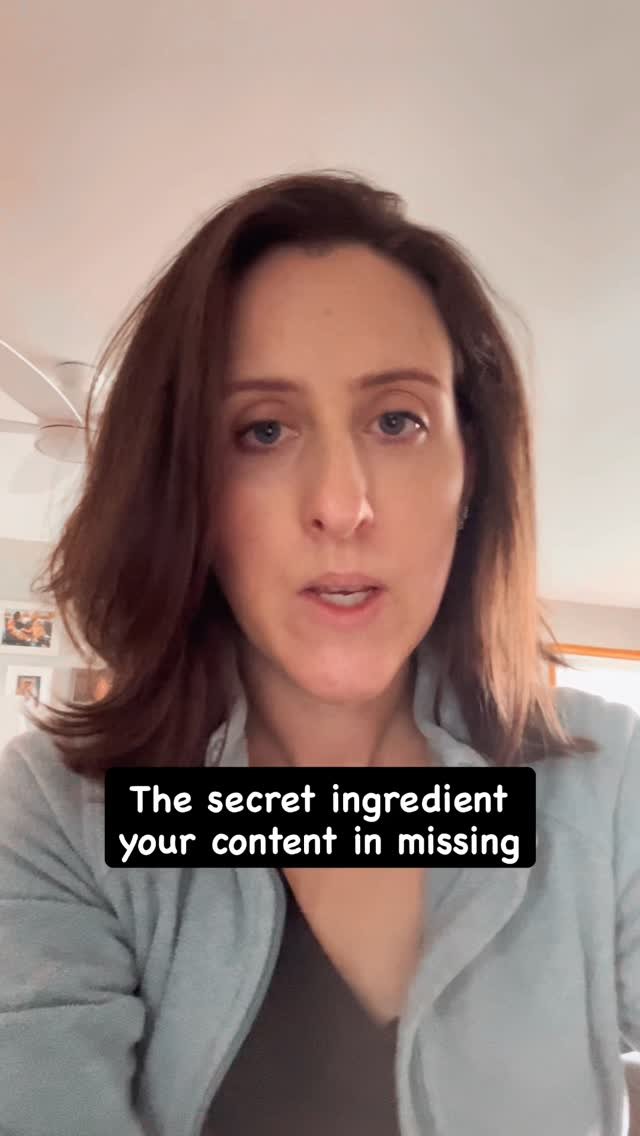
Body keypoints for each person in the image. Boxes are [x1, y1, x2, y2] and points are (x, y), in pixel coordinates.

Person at [0, 171, 638, 1136]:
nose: (342, 505)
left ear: (471, 471)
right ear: (189, 491)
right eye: (262, 430)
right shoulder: (57, 813)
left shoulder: (611, 784)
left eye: (397, 420)